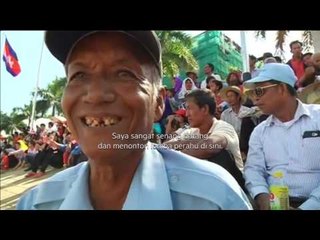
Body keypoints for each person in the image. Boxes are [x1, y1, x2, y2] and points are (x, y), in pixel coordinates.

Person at [17, 31, 251, 210]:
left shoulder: (216, 197)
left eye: (124, 73)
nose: (96, 94)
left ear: (159, 102)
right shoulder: (35, 203)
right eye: (79, 75)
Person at [243, 63, 320, 210]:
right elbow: (254, 170)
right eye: (251, 93)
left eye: (258, 91)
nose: (254, 99)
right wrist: (264, 199)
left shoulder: (318, 118)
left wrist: (309, 207)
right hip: (274, 203)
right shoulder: (260, 131)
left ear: (282, 88)